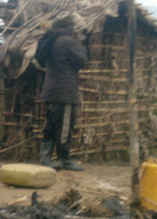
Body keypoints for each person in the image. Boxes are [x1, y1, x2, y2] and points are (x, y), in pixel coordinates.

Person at [35, 15, 88, 171]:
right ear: (74, 28)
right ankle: (65, 159)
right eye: (79, 29)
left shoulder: (53, 39)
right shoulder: (68, 42)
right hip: (64, 92)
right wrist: (81, 45)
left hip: (51, 91)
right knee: (65, 126)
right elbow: (82, 61)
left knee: (50, 125)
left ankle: (45, 158)